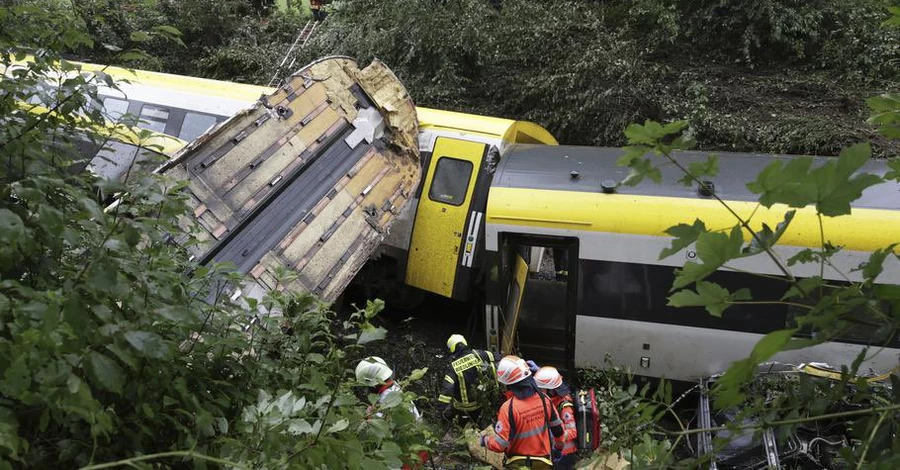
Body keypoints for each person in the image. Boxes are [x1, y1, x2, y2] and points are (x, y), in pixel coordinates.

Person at [481, 355, 565, 469]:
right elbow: (558, 431)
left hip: (517, 464)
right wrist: (558, 449)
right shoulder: (545, 399)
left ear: (508, 383)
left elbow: (499, 446)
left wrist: (485, 440)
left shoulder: (508, 408)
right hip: (543, 463)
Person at [355, 356, 428, 469]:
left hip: (408, 458)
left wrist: (368, 417)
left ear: (372, 384)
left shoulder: (386, 401)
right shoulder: (395, 388)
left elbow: (377, 432)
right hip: (419, 448)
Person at [437, 334, 498, 423]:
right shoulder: (479, 354)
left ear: (452, 349)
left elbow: (447, 390)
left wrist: (440, 409)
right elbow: (496, 357)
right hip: (481, 401)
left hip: (463, 407)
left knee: (450, 417)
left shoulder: (453, 367)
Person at [534, 366, 578, 470]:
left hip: (565, 454)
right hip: (555, 450)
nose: (539, 391)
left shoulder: (564, 407)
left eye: (541, 389)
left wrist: (555, 434)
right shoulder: (552, 401)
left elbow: (572, 431)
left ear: (550, 390)